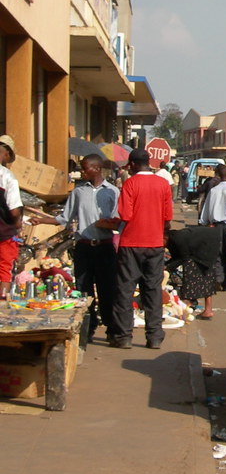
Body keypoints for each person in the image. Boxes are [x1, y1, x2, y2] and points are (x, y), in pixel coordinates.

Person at [28, 153, 120, 340]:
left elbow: (118, 219)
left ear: (96, 169)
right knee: (83, 289)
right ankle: (87, 328)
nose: (82, 172)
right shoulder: (79, 192)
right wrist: (42, 220)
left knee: (107, 289)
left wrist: (109, 223)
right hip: (84, 247)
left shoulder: (112, 192)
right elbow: (64, 218)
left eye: (85, 168)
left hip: (105, 247)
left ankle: (111, 329)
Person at [108, 148, 174, 349]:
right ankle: (154, 336)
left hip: (131, 243)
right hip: (154, 243)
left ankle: (123, 336)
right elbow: (168, 217)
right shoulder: (162, 184)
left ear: (133, 164)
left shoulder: (130, 184)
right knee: (153, 290)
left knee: (125, 290)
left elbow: (125, 215)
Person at [199, 164, 226, 289]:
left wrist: (204, 222)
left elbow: (206, 209)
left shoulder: (213, 191)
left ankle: (218, 279)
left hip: (215, 226)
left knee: (217, 254)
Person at [165, 225, 221, 320]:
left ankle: (187, 305)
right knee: (206, 275)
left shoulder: (177, 239)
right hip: (206, 242)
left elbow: (183, 257)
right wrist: (167, 265)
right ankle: (207, 310)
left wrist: (167, 267)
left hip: (206, 245)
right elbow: (176, 257)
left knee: (192, 275)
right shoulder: (172, 240)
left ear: (165, 238)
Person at [0, 134, 24, 299]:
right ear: (7, 154)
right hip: (4, 234)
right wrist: (17, 224)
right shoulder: (7, 177)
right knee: (4, 270)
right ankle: (1, 304)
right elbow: (14, 211)